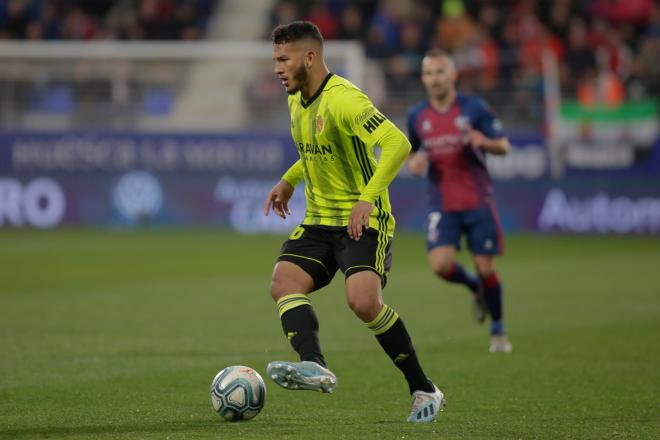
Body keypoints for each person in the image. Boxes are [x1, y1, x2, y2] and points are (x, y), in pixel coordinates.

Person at [263, 21, 444, 423]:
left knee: (363, 302)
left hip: (364, 221)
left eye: (283, 58)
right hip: (319, 220)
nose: (277, 67)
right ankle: (314, 365)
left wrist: (367, 198)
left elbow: (397, 143)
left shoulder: (346, 100)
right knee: (284, 282)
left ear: (309, 57)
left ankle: (423, 387)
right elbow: (316, 149)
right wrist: (289, 180)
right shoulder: (295, 97)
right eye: (275, 58)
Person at [406, 49, 513, 353]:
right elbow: (413, 152)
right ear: (424, 79)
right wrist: (414, 163)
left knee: (485, 266)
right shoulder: (417, 115)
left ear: (452, 75)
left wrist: (484, 142)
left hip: (477, 200)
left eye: (440, 72)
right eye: (428, 74)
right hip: (441, 202)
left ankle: (498, 331)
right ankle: (473, 287)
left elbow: (503, 146)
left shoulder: (474, 108)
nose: (434, 79)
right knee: (440, 265)